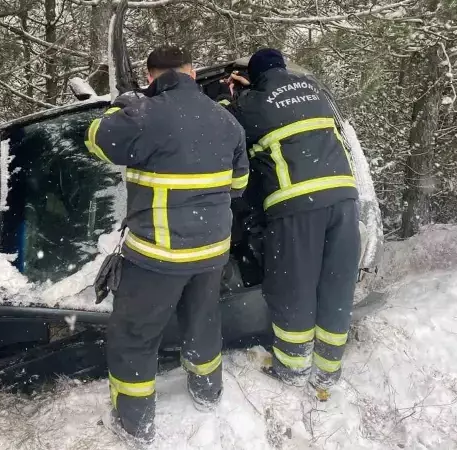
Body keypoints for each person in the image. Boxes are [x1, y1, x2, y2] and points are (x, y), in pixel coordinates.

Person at [84, 46, 249, 443]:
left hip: (158, 254)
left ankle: (135, 423)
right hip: (211, 252)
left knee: (135, 336)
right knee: (203, 321)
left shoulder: (145, 114)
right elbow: (239, 187)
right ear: (191, 73)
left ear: (150, 75)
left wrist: (120, 105)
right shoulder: (226, 120)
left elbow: (95, 140)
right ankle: (207, 392)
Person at [221, 48, 360, 398]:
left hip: (297, 202)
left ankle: (293, 367)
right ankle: (328, 371)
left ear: (252, 75)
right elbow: (286, 107)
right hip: (343, 198)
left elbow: (226, 128)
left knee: (293, 286)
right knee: (335, 284)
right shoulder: (314, 91)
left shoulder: (253, 102)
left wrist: (230, 96)